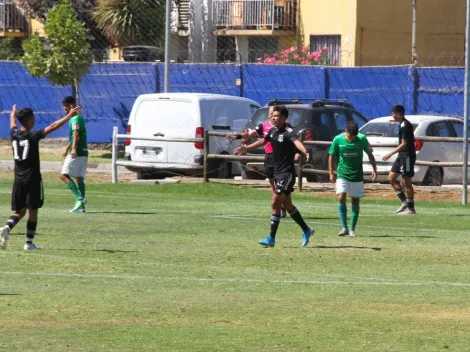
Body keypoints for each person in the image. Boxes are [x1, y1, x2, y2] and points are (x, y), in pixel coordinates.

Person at [0, 104, 81, 250]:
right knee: (33, 211)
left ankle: (6, 227)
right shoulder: (32, 136)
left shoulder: (14, 134)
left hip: (18, 180)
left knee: (19, 211)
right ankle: (28, 243)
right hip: (33, 180)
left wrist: (13, 114)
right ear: (30, 120)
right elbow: (53, 126)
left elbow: (12, 122)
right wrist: (69, 116)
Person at [234, 105, 314, 247]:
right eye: (272, 115)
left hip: (287, 174)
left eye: (276, 116)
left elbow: (297, 142)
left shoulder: (288, 131)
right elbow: (264, 141)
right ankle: (306, 229)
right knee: (286, 204)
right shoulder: (272, 131)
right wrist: (246, 148)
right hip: (278, 173)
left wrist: (305, 151)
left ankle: (271, 238)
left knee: (275, 202)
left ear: (283, 118)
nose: (272, 117)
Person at [228, 106, 293, 217]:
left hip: (281, 159)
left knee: (282, 186)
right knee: (274, 184)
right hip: (269, 158)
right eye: (271, 113)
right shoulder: (264, 126)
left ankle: (287, 207)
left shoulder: (287, 128)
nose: (272, 115)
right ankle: (280, 206)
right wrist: (238, 136)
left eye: (274, 113)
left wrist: (297, 153)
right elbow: (249, 134)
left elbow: (293, 141)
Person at [329, 121, 377, 237]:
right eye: (350, 136)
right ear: (346, 131)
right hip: (342, 174)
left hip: (357, 175)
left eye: (354, 136)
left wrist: (374, 169)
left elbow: (370, 154)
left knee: (355, 200)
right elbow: (331, 155)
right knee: (341, 196)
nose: (352, 139)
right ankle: (344, 227)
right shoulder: (338, 139)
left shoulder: (362, 139)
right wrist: (331, 173)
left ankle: (352, 229)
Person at [383, 105, 417, 215]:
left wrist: (390, 153)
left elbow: (404, 144)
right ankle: (404, 201)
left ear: (397, 114)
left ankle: (411, 209)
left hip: (407, 156)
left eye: (393, 114)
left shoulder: (405, 125)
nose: (392, 116)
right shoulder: (401, 124)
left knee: (405, 181)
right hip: (401, 156)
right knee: (391, 178)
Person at [59, 96, 88, 213]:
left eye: (65, 105)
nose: (63, 108)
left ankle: (80, 198)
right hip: (84, 151)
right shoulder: (79, 117)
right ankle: (81, 207)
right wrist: (67, 148)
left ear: (71, 106)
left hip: (78, 152)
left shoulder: (75, 118)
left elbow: (76, 133)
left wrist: (74, 149)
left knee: (63, 175)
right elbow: (74, 135)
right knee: (79, 178)